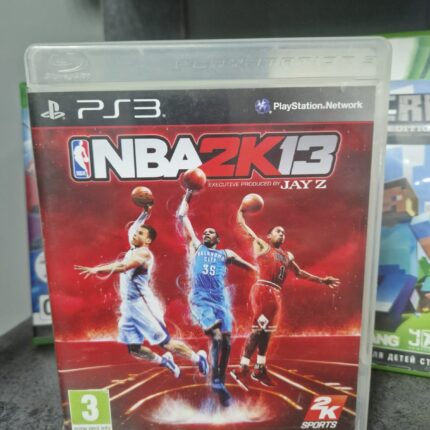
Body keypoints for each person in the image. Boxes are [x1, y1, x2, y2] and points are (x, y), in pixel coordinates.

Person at [74, 203, 208, 379]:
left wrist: (97, 269)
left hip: (143, 305)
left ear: (147, 241)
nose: (135, 234)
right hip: (128, 306)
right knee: (133, 348)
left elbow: (123, 266)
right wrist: (145, 213)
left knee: (165, 343)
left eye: (140, 234)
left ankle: (198, 359)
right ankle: (164, 361)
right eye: (135, 233)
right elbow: (134, 227)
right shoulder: (134, 246)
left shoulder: (144, 254)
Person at [230, 206, 340, 389]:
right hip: (263, 290)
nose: (282, 234)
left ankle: (259, 369)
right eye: (278, 231)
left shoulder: (287, 256)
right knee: (257, 330)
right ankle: (242, 368)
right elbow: (244, 228)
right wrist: (241, 211)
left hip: (275, 294)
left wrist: (322, 280)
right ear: (269, 236)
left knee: (266, 332)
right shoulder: (262, 245)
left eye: (284, 233)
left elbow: (299, 273)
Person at [177, 192, 257, 407]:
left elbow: (250, 268)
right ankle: (215, 381)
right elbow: (183, 217)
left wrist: (263, 274)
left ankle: (220, 379)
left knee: (227, 342)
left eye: (210, 232)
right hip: (201, 299)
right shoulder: (197, 247)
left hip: (221, 301)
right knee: (216, 336)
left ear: (218, 239)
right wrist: (188, 194)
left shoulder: (226, 254)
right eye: (204, 232)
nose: (206, 234)